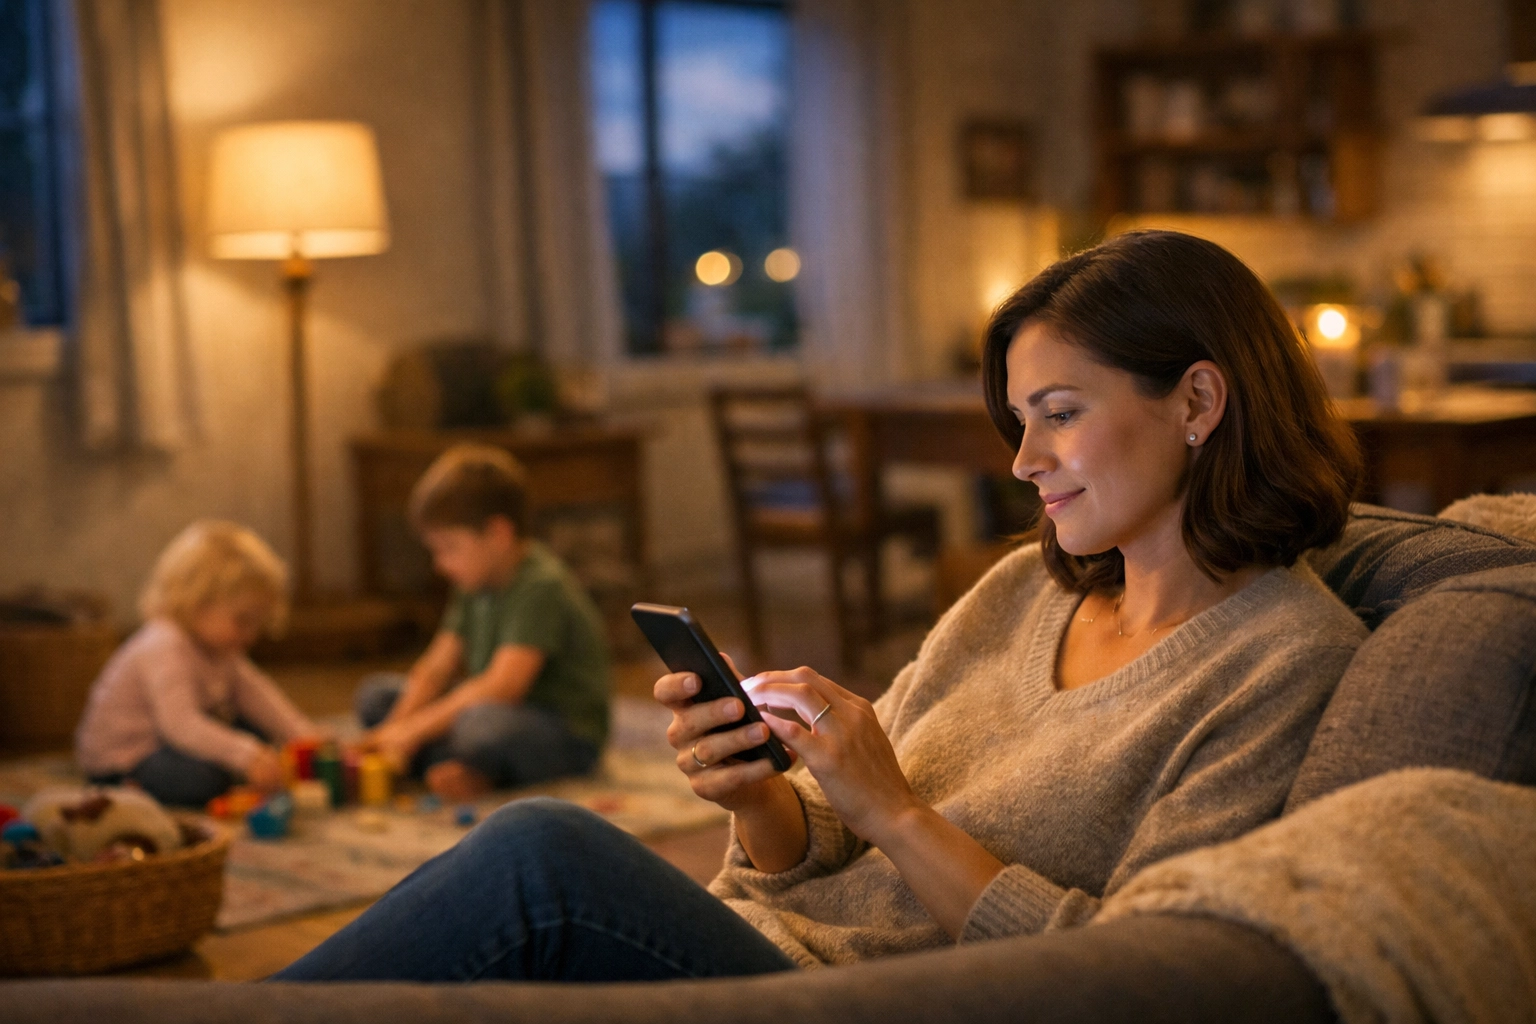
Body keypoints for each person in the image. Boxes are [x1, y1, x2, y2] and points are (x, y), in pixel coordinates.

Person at [274, 229, 1367, 982]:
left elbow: (1139, 969)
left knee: (543, 858)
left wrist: (897, 808)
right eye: (1018, 421)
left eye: (1060, 414)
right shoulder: (1020, 593)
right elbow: (829, 839)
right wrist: (762, 794)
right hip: (757, 948)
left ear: (1198, 400)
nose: (1025, 458)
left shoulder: (1282, 661)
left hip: (859, 1002)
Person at [355, 443, 610, 801]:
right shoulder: (473, 583)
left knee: (480, 725)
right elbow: (435, 668)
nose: (439, 564)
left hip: (559, 732)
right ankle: (460, 768)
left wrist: (414, 731)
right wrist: (394, 729)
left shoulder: (541, 585)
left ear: (498, 534)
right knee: (377, 697)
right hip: (493, 715)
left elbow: (503, 687)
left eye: (449, 547)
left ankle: (467, 769)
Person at [75, 520, 322, 807]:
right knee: (206, 778)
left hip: (170, 743)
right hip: (126, 759)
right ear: (197, 602)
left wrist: (306, 737)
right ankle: (133, 790)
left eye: (258, 623)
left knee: (260, 733)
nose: (252, 635)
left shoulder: (223, 648)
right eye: (242, 620)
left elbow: (261, 698)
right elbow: (181, 725)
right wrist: (246, 755)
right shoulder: (164, 645)